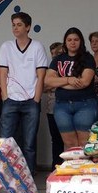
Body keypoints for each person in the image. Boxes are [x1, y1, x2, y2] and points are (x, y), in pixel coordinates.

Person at [0, 12, 48, 175]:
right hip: (11, 99)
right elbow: (3, 74)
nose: (15, 28)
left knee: (29, 142)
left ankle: (29, 176)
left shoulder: (37, 47)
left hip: (30, 101)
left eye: (19, 24)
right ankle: (6, 174)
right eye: (13, 24)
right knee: (5, 140)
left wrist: (36, 99)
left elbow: (41, 75)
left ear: (28, 27)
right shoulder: (6, 46)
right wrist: (5, 97)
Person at [45, 27, 98, 149]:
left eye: (76, 39)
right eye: (69, 40)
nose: (73, 42)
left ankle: (85, 168)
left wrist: (59, 82)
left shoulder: (88, 58)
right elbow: (48, 80)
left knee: (84, 143)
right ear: (65, 42)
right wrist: (69, 80)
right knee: (69, 144)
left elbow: (84, 82)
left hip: (85, 105)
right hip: (62, 106)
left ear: (81, 41)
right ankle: (74, 168)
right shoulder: (58, 59)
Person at [44, 42, 64, 170]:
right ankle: (55, 168)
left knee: (68, 140)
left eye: (58, 53)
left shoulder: (67, 68)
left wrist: (55, 84)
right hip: (51, 109)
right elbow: (44, 87)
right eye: (52, 54)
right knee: (55, 140)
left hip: (66, 108)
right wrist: (59, 84)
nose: (55, 56)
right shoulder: (48, 71)